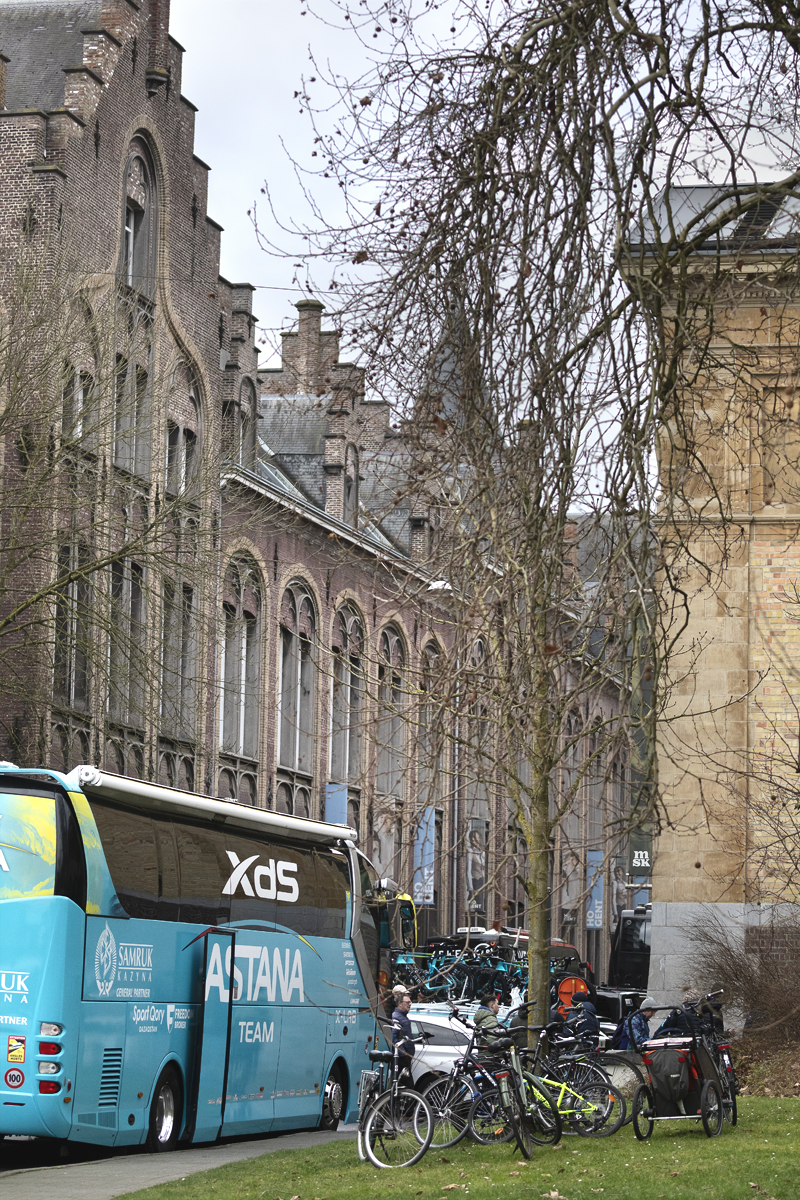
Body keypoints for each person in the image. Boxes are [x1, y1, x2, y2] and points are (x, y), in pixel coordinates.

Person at [391, 991, 416, 1065]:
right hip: (400, 1059)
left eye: (410, 1002)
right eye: (407, 1002)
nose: (410, 1004)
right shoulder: (396, 1017)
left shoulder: (403, 1017)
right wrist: (403, 1054)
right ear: (400, 1003)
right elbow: (393, 1038)